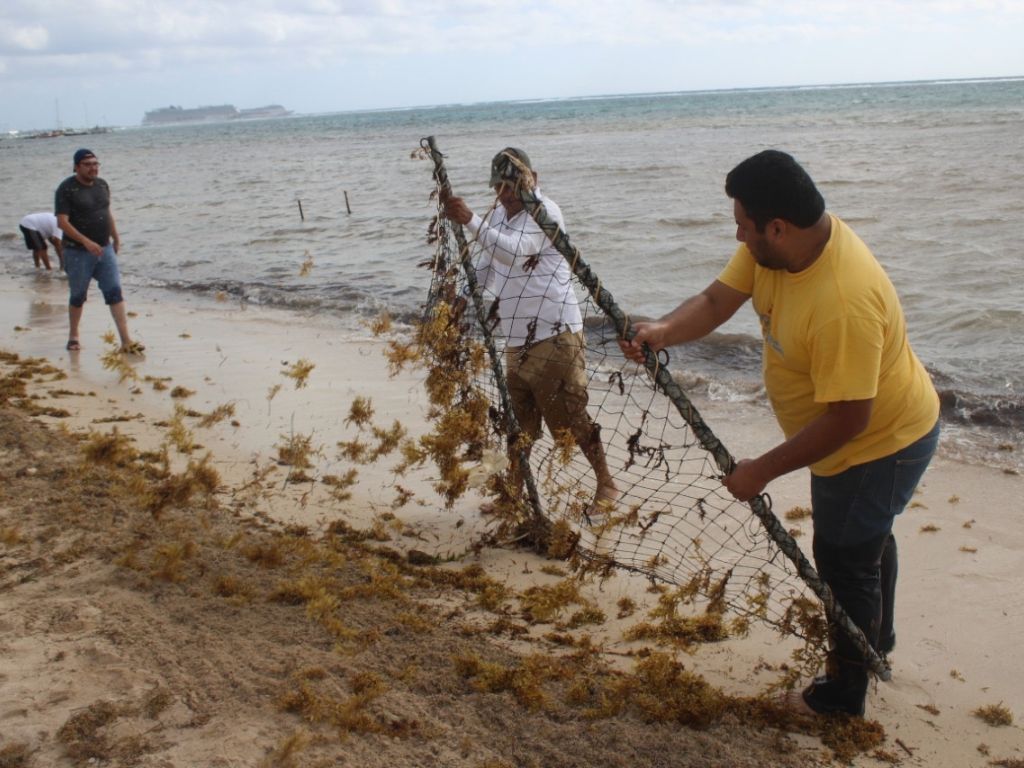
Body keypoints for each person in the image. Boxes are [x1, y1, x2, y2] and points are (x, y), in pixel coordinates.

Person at [620, 149, 939, 717]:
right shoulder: (771, 251)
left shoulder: (843, 299)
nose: (737, 235)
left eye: (743, 223)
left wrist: (760, 471)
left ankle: (844, 695)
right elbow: (718, 299)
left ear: (778, 226)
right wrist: (664, 330)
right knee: (864, 540)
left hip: (881, 442)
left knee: (843, 559)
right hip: (853, 433)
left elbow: (848, 419)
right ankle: (877, 640)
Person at [441, 147, 618, 516]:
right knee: (518, 422)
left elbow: (516, 253)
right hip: (516, 338)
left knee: (571, 418)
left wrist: (472, 220)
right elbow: (490, 269)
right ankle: (515, 493)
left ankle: (606, 484)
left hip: (555, 332)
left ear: (531, 180)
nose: (505, 195)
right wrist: (461, 297)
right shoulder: (501, 219)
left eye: (511, 186)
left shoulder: (544, 212)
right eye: (499, 188)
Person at [55, 148, 143, 353]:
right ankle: (73, 336)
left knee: (114, 291)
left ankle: (126, 341)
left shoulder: (102, 185)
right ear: (77, 167)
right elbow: (62, 222)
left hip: (105, 249)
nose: (93, 168)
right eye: (87, 164)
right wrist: (85, 241)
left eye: (95, 163)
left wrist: (116, 237)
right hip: (77, 252)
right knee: (78, 295)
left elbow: (106, 212)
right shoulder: (67, 189)